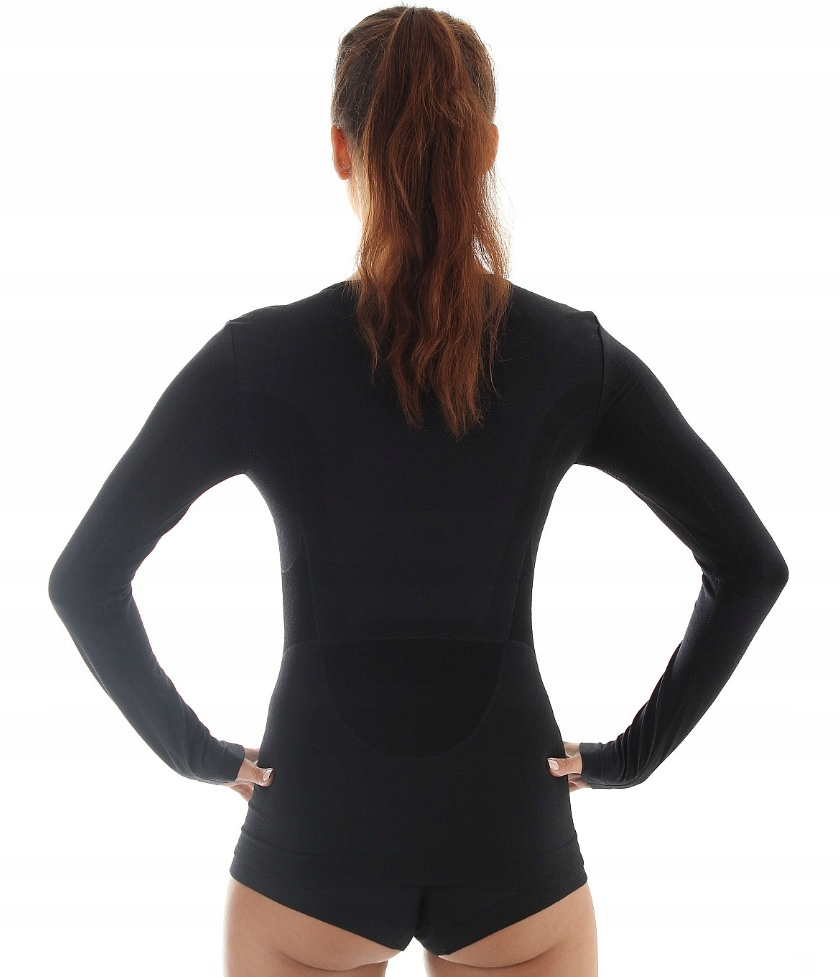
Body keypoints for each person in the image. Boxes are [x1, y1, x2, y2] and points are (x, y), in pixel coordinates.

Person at [47, 6, 789, 977]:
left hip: (314, 831)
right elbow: (749, 565)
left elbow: (85, 579)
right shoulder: (575, 357)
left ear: (340, 150)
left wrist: (198, 752)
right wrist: (629, 756)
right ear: (486, 149)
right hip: (510, 830)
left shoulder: (256, 360)